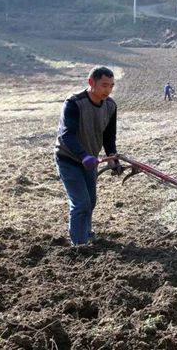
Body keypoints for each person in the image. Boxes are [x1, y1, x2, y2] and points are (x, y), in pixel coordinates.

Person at [54, 66, 121, 246]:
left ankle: (86, 234)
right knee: (81, 203)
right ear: (91, 82)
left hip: (90, 160)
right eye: (104, 85)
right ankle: (79, 245)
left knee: (90, 202)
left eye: (111, 86)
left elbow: (109, 137)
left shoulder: (110, 106)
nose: (108, 90)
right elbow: (67, 135)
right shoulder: (74, 103)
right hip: (69, 158)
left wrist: (113, 157)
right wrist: (83, 156)